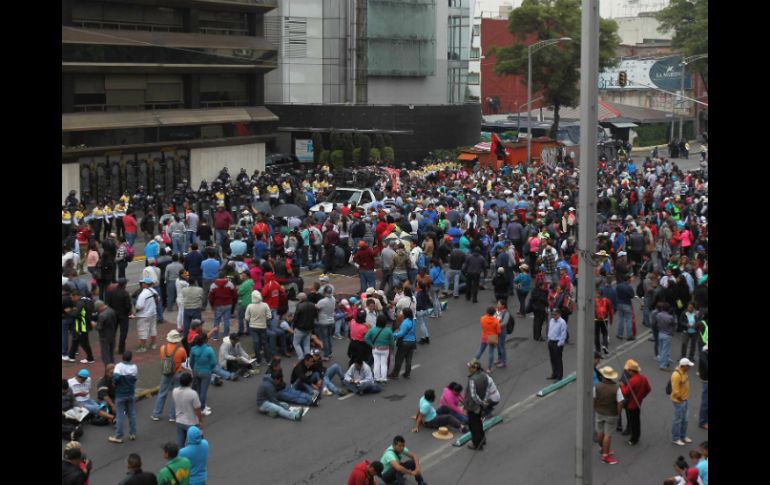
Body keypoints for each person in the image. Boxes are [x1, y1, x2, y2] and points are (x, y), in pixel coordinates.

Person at [152, 330, 188, 422]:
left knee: (162, 393)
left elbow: (162, 358)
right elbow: (184, 360)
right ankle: (172, 415)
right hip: (177, 373)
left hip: (166, 372)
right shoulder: (181, 350)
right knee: (176, 395)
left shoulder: (162, 348)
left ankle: (156, 414)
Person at [593, 366, 624, 465]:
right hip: (611, 414)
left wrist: (596, 407)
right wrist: (618, 413)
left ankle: (602, 448)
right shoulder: (616, 388)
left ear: (603, 376)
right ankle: (605, 455)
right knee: (608, 435)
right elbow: (620, 402)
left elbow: (594, 398)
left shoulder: (597, 386)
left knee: (600, 431)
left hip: (599, 412)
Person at [618, 359, 651, 446]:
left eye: (629, 370)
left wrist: (622, 385)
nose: (628, 372)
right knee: (637, 421)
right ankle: (637, 436)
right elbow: (648, 389)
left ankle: (633, 439)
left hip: (631, 404)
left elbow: (625, 392)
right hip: (638, 402)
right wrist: (641, 396)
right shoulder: (643, 378)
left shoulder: (632, 380)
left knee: (633, 422)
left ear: (632, 371)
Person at [172, 372, 204, 450]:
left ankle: (180, 456)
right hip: (192, 422)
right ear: (190, 382)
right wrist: (201, 422)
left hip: (179, 420)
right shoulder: (193, 394)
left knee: (180, 445)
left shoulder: (175, 391)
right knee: (196, 444)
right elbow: (197, 409)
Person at [189, 333, 217, 416]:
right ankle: (202, 409)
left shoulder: (193, 349)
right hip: (205, 372)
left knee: (198, 389)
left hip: (196, 371)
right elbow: (213, 362)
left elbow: (191, 362)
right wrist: (209, 368)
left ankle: (200, 405)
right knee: (203, 392)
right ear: (205, 340)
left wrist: (193, 369)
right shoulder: (209, 349)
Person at [464, 359, 489, 451]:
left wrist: (480, 402)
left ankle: (477, 443)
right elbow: (486, 389)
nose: (468, 369)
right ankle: (482, 439)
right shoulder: (484, 375)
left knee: (473, 425)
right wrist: (483, 402)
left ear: (474, 368)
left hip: (473, 406)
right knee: (479, 422)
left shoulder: (472, 380)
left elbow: (473, 395)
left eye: (470, 367)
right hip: (480, 404)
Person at [66, 290, 96, 364]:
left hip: (81, 325)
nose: (71, 299)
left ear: (76, 296)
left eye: (72, 297)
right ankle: (71, 356)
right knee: (75, 340)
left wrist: (69, 311)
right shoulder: (87, 300)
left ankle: (90, 358)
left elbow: (76, 314)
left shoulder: (80, 303)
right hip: (85, 323)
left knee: (84, 342)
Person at [246, 290, 274, 366]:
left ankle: (258, 361)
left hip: (253, 327)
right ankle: (268, 360)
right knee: (264, 343)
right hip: (263, 327)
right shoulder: (265, 305)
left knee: (256, 343)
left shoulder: (250, 306)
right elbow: (269, 316)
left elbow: (247, 318)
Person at [671, 357, 695, 446]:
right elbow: (675, 390)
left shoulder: (684, 372)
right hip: (679, 401)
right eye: (688, 366)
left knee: (685, 420)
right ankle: (675, 438)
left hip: (684, 400)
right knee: (677, 420)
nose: (689, 367)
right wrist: (680, 399)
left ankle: (683, 436)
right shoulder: (676, 375)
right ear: (683, 366)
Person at [365, 314, 395, 384]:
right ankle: (383, 378)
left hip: (375, 349)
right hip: (385, 349)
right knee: (384, 364)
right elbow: (392, 342)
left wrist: (371, 345)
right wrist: (392, 349)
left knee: (376, 363)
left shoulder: (372, 329)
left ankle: (376, 378)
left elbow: (366, 338)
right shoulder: (388, 330)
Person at [105, 278, 132, 355]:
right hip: (123, 315)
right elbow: (128, 306)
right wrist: (129, 312)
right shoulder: (125, 293)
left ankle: (110, 347)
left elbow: (107, 303)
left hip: (113, 315)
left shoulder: (111, 292)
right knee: (123, 332)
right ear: (124, 284)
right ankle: (121, 349)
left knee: (112, 332)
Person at [390, 308, 417, 380]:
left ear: (405, 314)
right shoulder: (413, 321)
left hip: (405, 342)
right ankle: (407, 373)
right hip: (412, 342)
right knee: (409, 358)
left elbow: (401, 334)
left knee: (399, 358)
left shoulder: (405, 322)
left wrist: (393, 334)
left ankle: (395, 374)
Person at [208, 274, 236, 341]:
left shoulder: (213, 285)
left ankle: (215, 336)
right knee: (227, 320)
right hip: (228, 304)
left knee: (217, 320)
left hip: (218, 305)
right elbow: (234, 295)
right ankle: (226, 336)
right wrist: (232, 302)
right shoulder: (230, 284)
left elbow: (210, 298)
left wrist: (212, 305)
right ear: (224, 277)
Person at [134, 277, 159, 353]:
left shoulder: (143, 294)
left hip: (144, 315)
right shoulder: (153, 290)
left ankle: (143, 347)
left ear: (145, 284)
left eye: (143, 283)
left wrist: (135, 311)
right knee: (153, 328)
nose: (142, 284)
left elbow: (139, 306)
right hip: (153, 313)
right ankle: (153, 344)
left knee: (143, 331)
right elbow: (158, 299)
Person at [475, 306, 501, 373]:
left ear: (487, 312)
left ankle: (472, 363)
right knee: (491, 353)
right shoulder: (496, 321)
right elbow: (498, 331)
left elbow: (482, 326)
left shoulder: (482, 318)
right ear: (494, 313)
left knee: (480, 350)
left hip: (484, 336)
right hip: (492, 337)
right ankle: (489, 368)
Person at [292, 292, 317, 358]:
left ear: (300, 299)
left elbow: (295, 318)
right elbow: (315, 315)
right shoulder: (312, 305)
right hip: (309, 328)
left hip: (300, 328)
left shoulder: (299, 306)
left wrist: (294, 327)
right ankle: (308, 359)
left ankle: (301, 358)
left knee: (296, 344)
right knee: (306, 344)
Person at [547, 309, 567, 380]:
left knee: (558, 359)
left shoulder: (562, 322)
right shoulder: (551, 320)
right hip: (551, 342)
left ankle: (559, 376)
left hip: (557, 343)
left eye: (555, 314)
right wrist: (549, 339)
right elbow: (550, 330)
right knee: (552, 359)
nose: (553, 316)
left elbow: (563, 334)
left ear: (559, 314)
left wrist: (559, 344)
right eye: (552, 314)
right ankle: (554, 374)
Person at [594, 288, 614, 355]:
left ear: (597, 294)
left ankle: (598, 350)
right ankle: (605, 346)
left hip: (596, 320)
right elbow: (610, 311)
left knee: (596, 334)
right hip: (604, 320)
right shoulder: (607, 301)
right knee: (605, 333)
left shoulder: (594, 301)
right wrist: (611, 320)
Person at [698, 344, 708, 430]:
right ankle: (702, 422)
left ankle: (705, 420)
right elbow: (705, 365)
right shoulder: (703, 355)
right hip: (706, 381)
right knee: (705, 402)